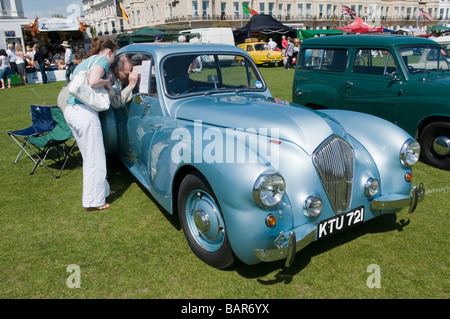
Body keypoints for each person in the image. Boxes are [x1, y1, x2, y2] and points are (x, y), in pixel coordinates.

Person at [64, 38, 117, 211]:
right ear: (108, 51)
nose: (113, 60)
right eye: (114, 56)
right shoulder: (101, 60)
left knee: (89, 157)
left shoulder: (86, 61)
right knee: (96, 158)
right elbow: (93, 81)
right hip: (84, 112)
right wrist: (107, 82)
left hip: (72, 110)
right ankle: (94, 201)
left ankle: (102, 192)